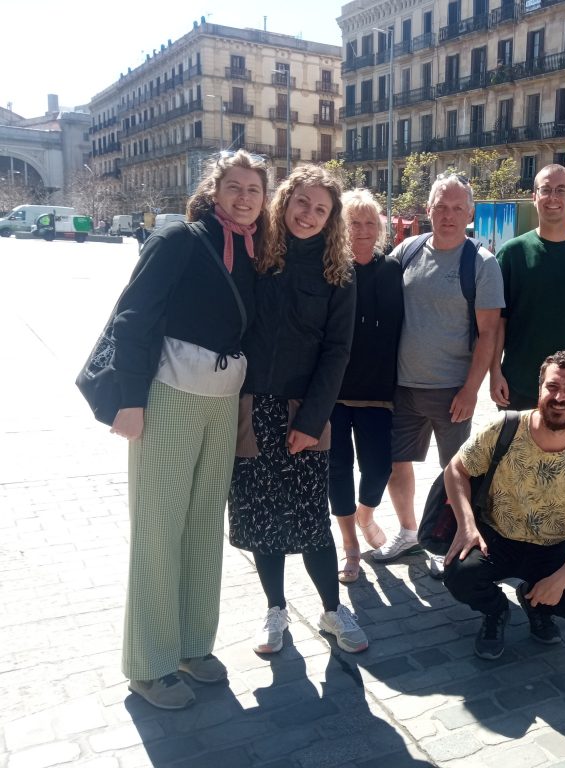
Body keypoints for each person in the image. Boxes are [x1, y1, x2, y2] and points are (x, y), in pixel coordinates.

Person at [108, 150, 268, 710]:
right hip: (168, 396)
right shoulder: (180, 239)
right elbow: (133, 314)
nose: (245, 197)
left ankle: (192, 645)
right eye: (235, 186)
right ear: (214, 189)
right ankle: (148, 665)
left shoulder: (254, 250)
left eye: (254, 189)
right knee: (158, 528)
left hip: (221, 405)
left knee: (202, 525)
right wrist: (129, 400)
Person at [228, 166, 364, 656]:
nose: (308, 214)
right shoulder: (255, 255)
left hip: (305, 411)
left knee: (310, 520)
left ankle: (332, 611)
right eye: (301, 203)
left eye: (320, 208)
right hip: (249, 405)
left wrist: (311, 421)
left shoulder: (339, 274)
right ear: (284, 202)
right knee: (262, 516)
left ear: (332, 219)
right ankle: (275, 610)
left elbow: (337, 351)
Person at [443, 351, 565, 659]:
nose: (559, 397)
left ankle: (536, 601)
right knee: (460, 573)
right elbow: (455, 470)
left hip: (553, 547)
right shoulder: (505, 427)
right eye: (552, 386)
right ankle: (496, 611)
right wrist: (467, 526)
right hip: (496, 537)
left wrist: (559, 580)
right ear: (539, 387)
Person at [373, 172, 504, 566]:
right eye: (441, 207)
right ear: (428, 210)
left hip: (452, 391)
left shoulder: (481, 263)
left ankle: (451, 541)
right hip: (402, 387)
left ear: (470, 214)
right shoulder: (407, 251)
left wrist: (470, 390)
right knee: (397, 464)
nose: (448, 215)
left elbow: (488, 334)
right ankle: (409, 533)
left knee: (456, 473)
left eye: (457, 208)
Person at [491, 164, 565, 412]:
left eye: (561, 190)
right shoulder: (511, 254)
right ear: (533, 197)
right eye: (545, 190)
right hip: (517, 384)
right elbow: (498, 323)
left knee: (563, 452)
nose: (553, 198)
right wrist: (494, 371)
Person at [328, 189, 403, 581]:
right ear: (341, 226)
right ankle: (350, 547)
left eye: (369, 222)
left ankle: (365, 514)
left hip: (379, 394)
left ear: (380, 228)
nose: (362, 230)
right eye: (353, 222)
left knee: (377, 469)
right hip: (334, 393)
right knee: (337, 470)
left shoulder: (392, 270)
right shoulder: (331, 271)